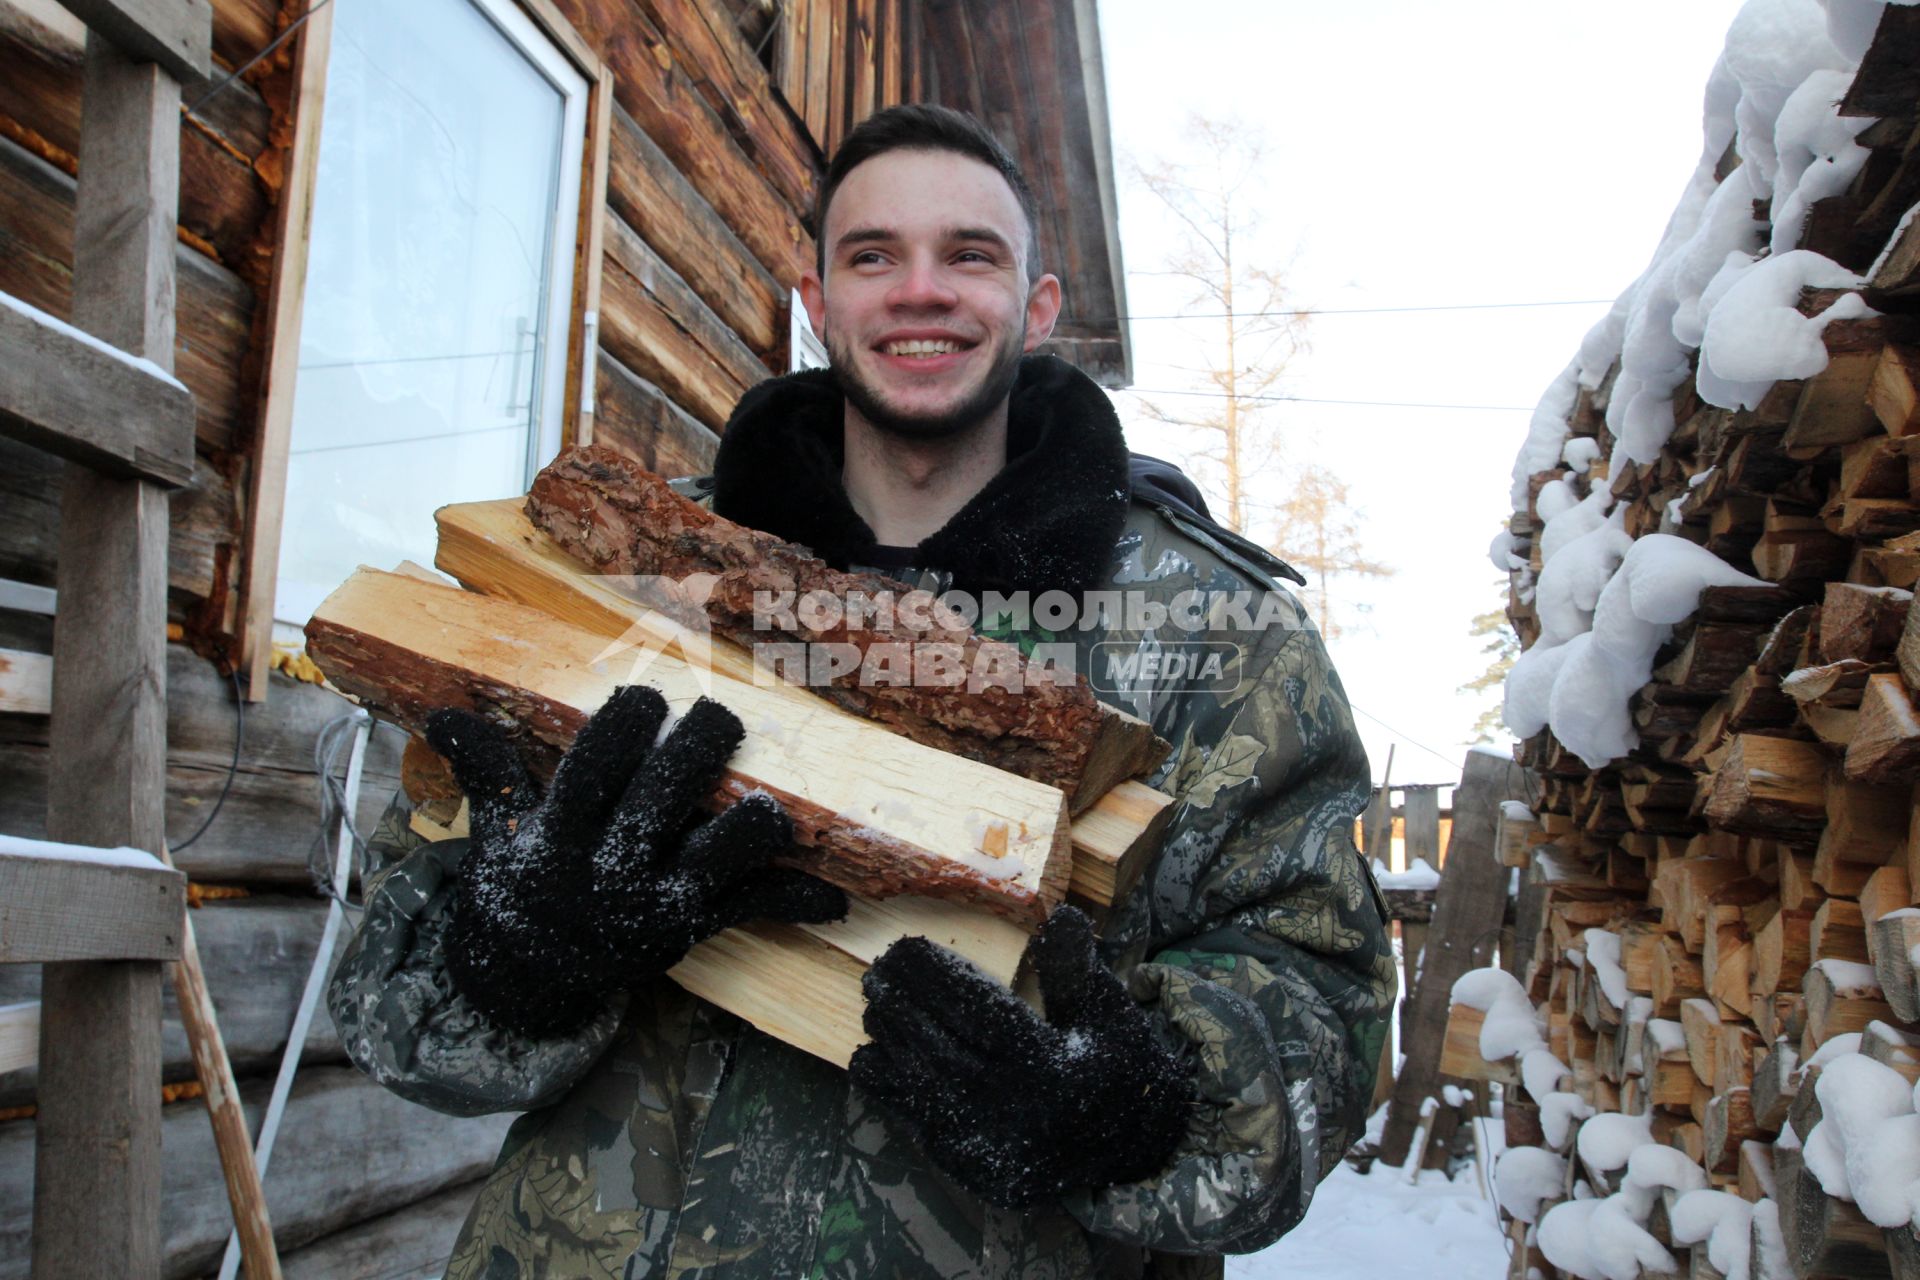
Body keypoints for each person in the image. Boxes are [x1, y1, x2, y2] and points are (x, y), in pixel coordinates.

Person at [330, 104, 1393, 1280]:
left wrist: (1134, 1109)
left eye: (971, 255)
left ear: (1038, 308)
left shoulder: (1209, 632)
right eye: (873, 254)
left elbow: (1321, 994)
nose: (920, 290)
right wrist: (509, 959)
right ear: (818, 297)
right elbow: (398, 972)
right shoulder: (615, 568)